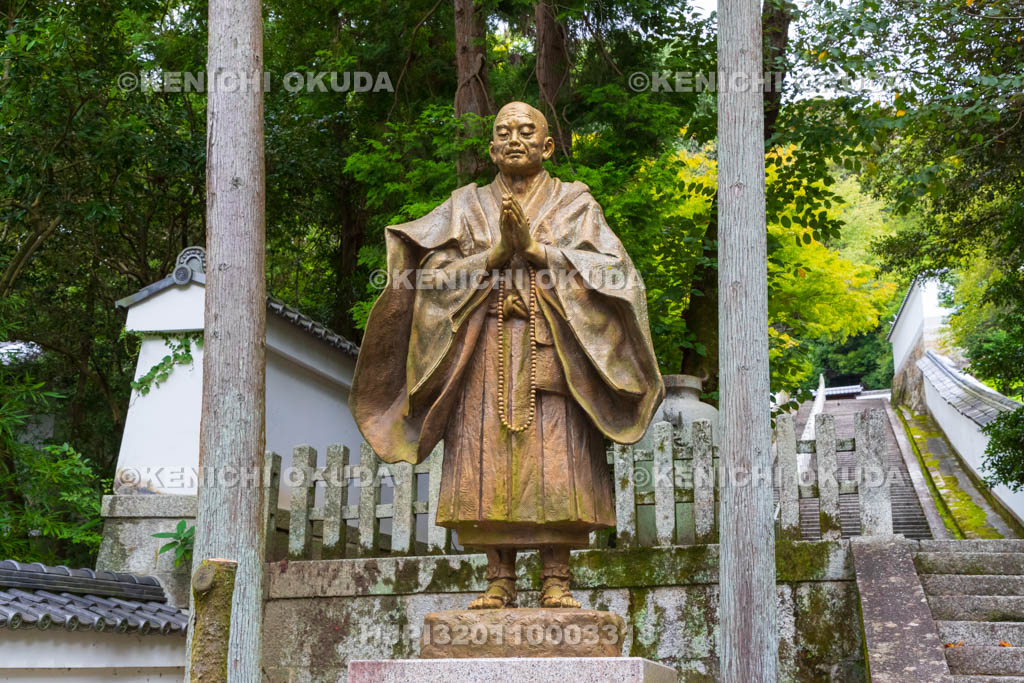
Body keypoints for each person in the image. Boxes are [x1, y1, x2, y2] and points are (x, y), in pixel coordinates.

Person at [350, 101, 663, 609]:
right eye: (503, 132)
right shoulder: (464, 207)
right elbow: (428, 282)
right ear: (492, 148)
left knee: (558, 461)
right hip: (483, 355)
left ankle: (557, 579)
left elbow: (617, 277)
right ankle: (498, 578)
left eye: (526, 132)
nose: (514, 139)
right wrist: (493, 258)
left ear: (547, 146)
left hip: (555, 358)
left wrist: (541, 254)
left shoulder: (576, 205)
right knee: (483, 460)